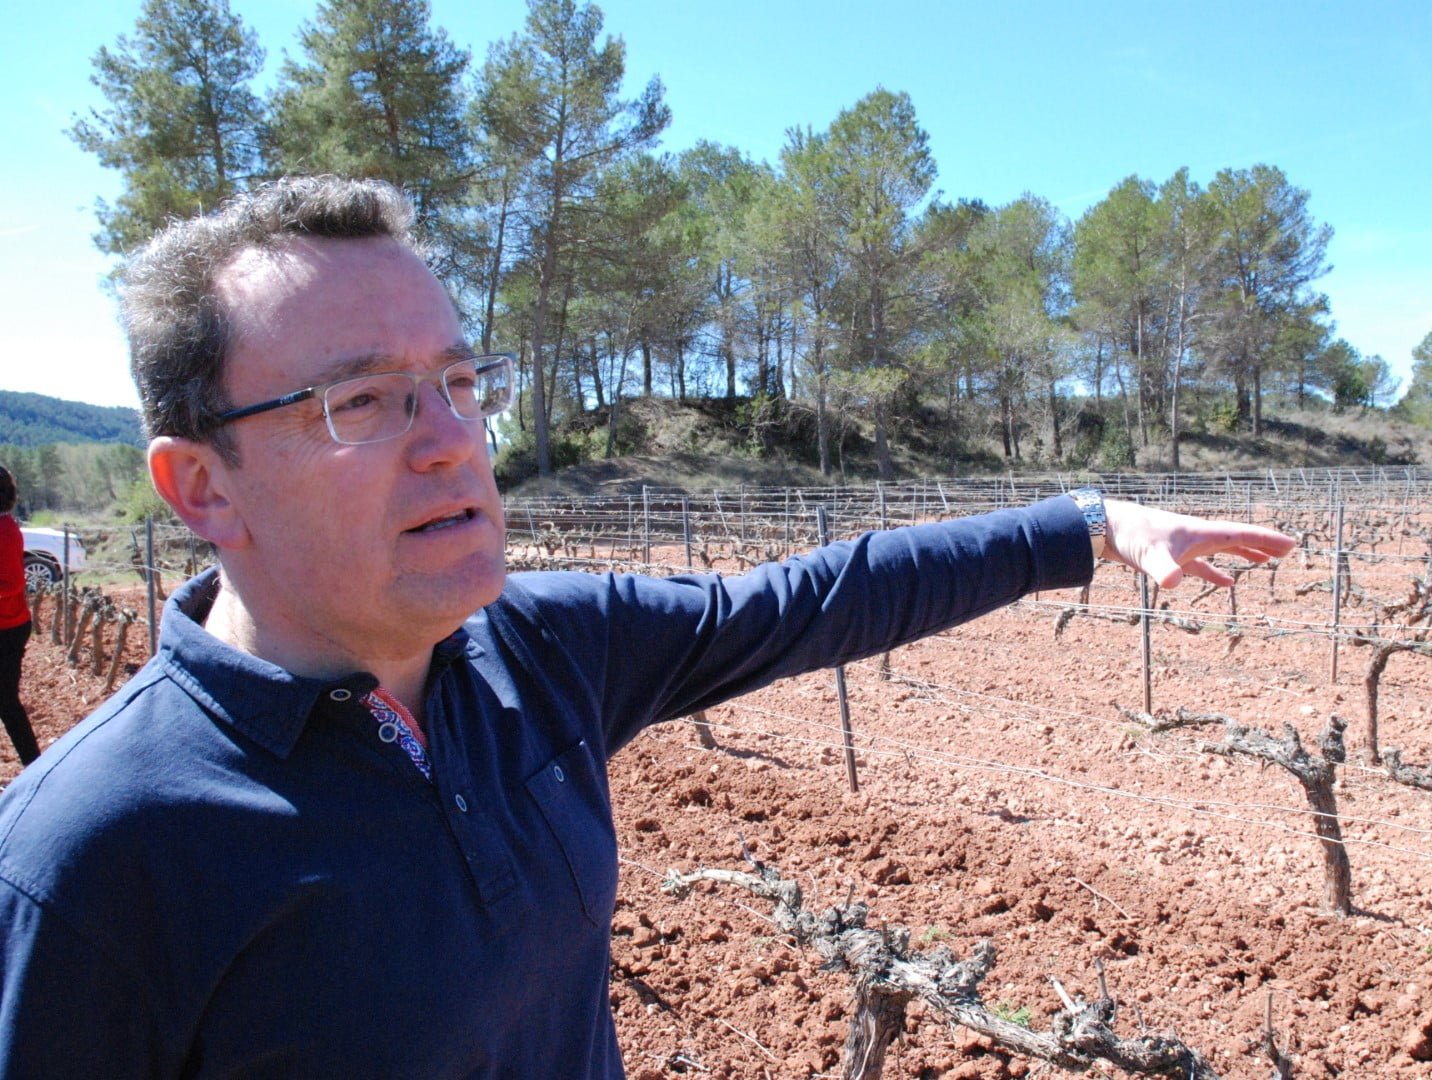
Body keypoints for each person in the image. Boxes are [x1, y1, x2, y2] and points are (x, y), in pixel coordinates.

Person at [0, 176, 1293, 1078]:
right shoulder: (93, 859)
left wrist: (1086, 525)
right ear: (201, 487)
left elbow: (803, 601)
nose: (451, 440)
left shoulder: (536, 653)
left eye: (458, 382)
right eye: (361, 402)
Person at [0, 466, 41, 767]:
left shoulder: (4, 530)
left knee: (6, 701)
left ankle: (34, 765)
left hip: (7, 629)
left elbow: (11, 585)